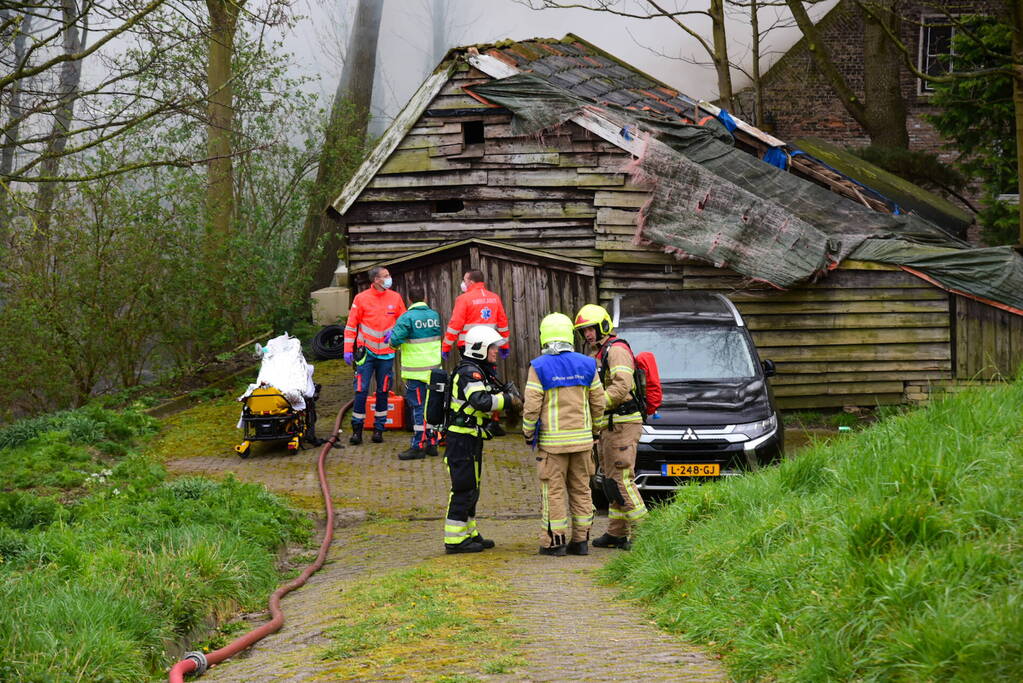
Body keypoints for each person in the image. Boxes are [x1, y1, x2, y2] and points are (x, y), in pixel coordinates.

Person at [522, 313, 605, 557]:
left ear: (544, 336)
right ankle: (581, 542)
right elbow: (598, 403)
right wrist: (595, 430)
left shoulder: (539, 366)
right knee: (582, 491)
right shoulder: (588, 364)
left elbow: (531, 406)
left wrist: (528, 433)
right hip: (582, 443)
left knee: (554, 493)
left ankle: (554, 543)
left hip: (552, 446)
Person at [574, 303, 647, 550]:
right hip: (610, 424)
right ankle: (616, 533)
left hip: (623, 422)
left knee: (622, 479)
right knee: (610, 479)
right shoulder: (599, 353)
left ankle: (645, 533)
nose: (588, 335)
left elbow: (621, 386)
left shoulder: (616, 350)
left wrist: (596, 404)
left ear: (603, 325)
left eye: (591, 329)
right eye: (584, 331)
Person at [443, 326, 521, 554]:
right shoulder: (469, 373)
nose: (496, 351)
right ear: (479, 349)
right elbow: (480, 401)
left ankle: (468, 533)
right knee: (463, 487)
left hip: (470, 437)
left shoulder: (478, 370)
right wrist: (507, 400)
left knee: (472, 487)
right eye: (492, 347)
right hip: (461, 439)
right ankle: (454, 540)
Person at [342, 266, 406, 445]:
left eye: (388, 275)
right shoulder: (361, 299)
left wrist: (395, 333)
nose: (389, 278)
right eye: (385, 276)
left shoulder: (395, 297)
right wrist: (348, 349)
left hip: (387, 353)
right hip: (366, 353)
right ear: (376, 280)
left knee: (383, 390)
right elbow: (351, 326)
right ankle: (357, 430)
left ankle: (379, 430)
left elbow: (403, 322)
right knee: (361, 390)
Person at [442, 269, 511, 435]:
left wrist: (446, 346)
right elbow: (502, 322)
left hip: (469, 348)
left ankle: (472, 418)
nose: (463, 283)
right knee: (491, 382)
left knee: (472, 382)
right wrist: (505, 345)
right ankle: (493, 421)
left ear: (471, 281)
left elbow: (455, 325)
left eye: (465, 280)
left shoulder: (463, 299)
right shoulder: (494, 298)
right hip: (490, 346)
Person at [388, 283, 442, 460]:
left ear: (409, 299)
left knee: (418, 408)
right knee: (433, 407)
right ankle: (432, 443)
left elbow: (394, 341)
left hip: (416, 372)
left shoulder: (407, 318)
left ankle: (418, 446)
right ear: (425, 297)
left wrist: (392, 338)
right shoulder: (434, 316)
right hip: (434, 371)